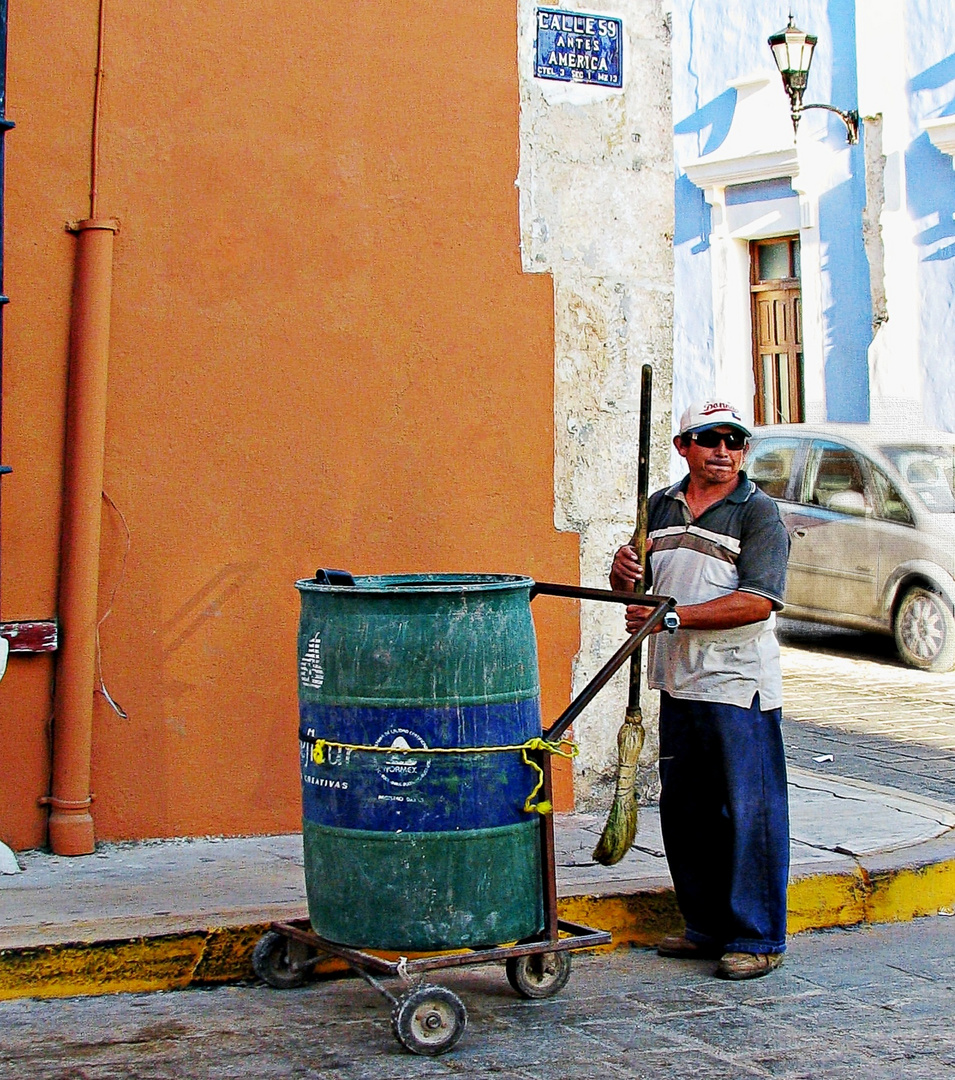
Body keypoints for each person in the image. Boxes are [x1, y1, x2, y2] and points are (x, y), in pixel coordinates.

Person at [610, 397, 791, 980]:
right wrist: (622, 573)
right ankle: (706, 925)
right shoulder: (659, 507)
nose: (724, 452)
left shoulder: (757, 512)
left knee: (748, 811)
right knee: (686, 810)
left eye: (735, 442)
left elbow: (758, 601)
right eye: (710, 439)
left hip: (737, 685)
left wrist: (673, 618)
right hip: (677, 680)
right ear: (683, 446)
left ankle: (757, 935)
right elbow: (636, 592)